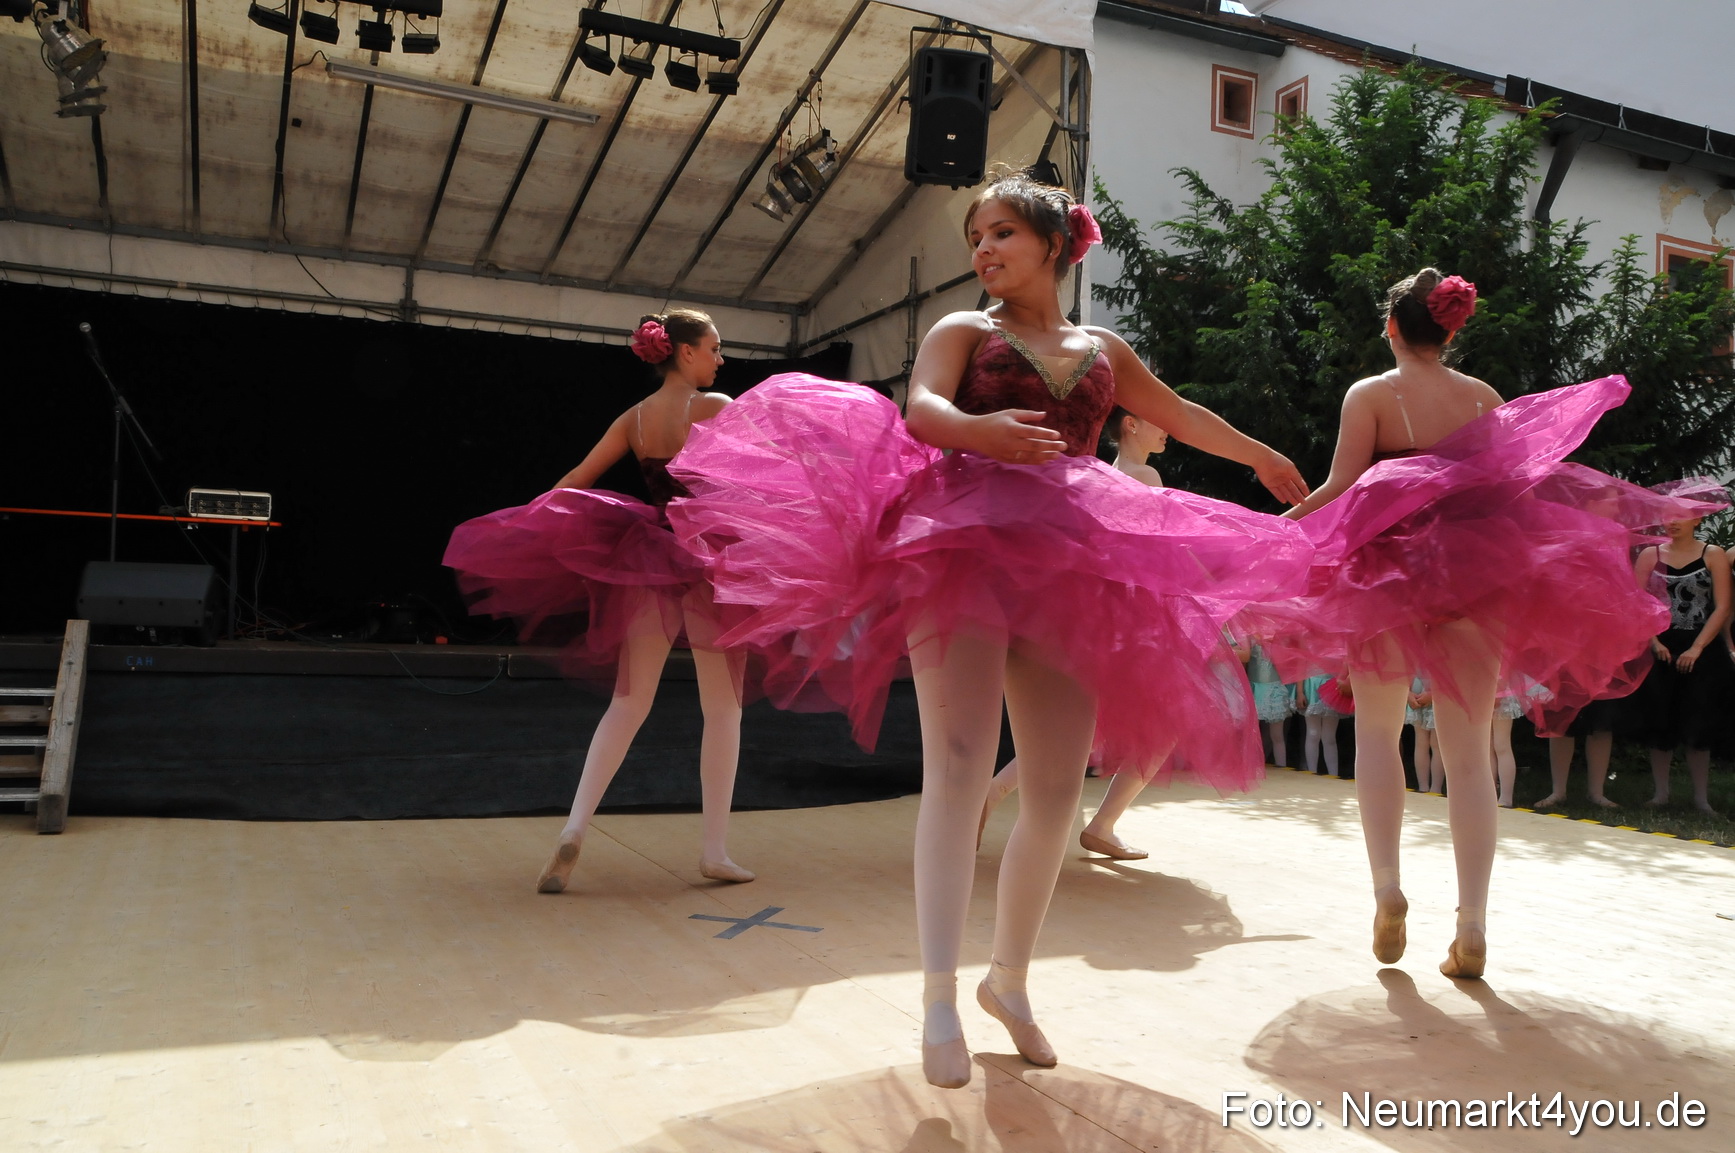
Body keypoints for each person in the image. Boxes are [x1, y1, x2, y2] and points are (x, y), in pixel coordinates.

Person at [667, 168, 1312, 1087]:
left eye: (1002, 232)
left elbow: (1172, 411)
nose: (984, 249)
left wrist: (1261, 453)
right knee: (961, 769)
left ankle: (1008, 982)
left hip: (1073, 562)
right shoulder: (964, 329)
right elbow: (919, 411)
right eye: (977, 236)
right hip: (959, 549)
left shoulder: (1101, 347)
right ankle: (937, 994)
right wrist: (983, 433)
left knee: (1053, 786)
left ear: (1054, 243)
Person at [1252, 268, 1720, 982]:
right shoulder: (1483, 399)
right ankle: (1471, 925)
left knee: (1377, 733)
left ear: (1391, 328)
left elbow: (1341, 492)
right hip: (1476, 581)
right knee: (1468, 750)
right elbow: (1514, 499)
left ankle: (1386, 887)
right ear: (1448, 330)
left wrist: (1268, 534)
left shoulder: (1372, 395)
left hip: (1386, 579)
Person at [444, 310, 757, 893]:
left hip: (647, 562)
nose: (720, 359)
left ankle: (575, 827)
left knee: (628, 702)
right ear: (685, 352)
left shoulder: (634, 419)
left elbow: (576, 477)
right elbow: (761, 473)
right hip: (708, 563)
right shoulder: (716, 407)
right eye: (714, 348)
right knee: (724, 708)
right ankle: (714, 849)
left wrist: (528, 522)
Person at [978, 406, 1178, 861]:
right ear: (1132, 423)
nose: (1166, 428)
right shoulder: (1145, 475)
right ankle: (1103, 824)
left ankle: (993, 792)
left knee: (1078, 728)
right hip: (1132, 614)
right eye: (1158, 419)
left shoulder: (1097, 475)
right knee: (1162, 724)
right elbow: (1151, 554)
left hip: (1093, 611)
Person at [1632, 508, 1733, 814]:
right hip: (1660, 647)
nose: (1673, 522)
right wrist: (1653, 641)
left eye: (1680, 516)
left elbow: (1723, 606)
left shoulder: (1712, 554)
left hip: (1702, 649)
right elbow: (1638, 603)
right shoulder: (1650, 555)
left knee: (1698, 721)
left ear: (1697, 520)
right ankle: (1660, 793)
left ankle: (1701, 798)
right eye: (1668, 516)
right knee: (1660, 718)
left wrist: (1698, 647)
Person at [1299, 673, 1347, 777]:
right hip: (1312, 686)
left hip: (1332, 686)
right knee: (1313, 734)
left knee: (1329, 737)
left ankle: (1334, 774)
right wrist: (1299, 692)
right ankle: (1312, 772)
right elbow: (1301, 668)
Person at [1405, 676, 1443, 794]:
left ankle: (1435, 788)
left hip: (1437, 695)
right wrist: (1408, 693)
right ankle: (1423, 786)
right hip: (1417, 690)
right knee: (1422, 743)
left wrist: (1434, 693)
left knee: (1436, 744)